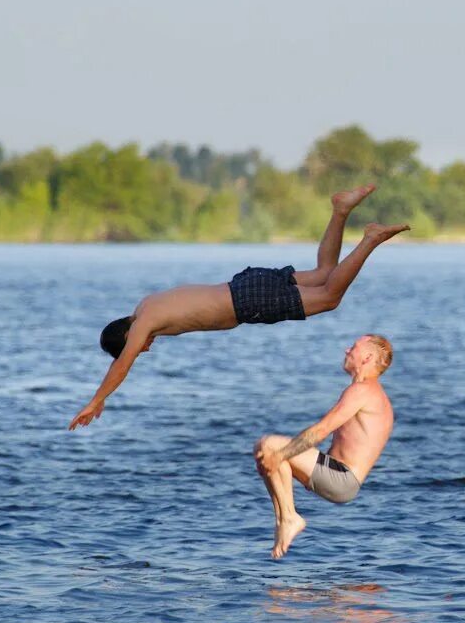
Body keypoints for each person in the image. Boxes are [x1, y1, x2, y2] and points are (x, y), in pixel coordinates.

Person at [68, 186, 407, 430]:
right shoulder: (147, 305)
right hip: (243, 284)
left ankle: (370, 239)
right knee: (324, 275)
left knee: (331, 296)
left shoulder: (146, 320)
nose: (145, 347)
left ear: (127, 335)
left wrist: (97, 400)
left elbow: (121, 366)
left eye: (137, 347)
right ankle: (340, 210)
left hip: (247, 302)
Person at [253, 334, 395, 559]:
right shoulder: (371, 393)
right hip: (339, 476)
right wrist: (279, 458)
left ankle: (289, 518)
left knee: (270, 446)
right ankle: (284, 520)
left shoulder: (364, 391)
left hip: (342, 478)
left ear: (367, 357)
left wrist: (279, 455)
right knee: (268, 450)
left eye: (354, 347)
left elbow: (321, 430)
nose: (347, 350)